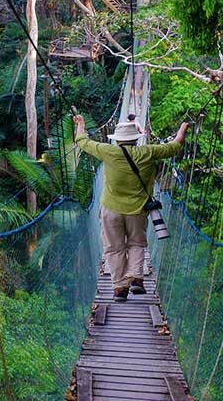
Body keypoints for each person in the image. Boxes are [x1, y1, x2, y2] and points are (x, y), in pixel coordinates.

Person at [74, 115, 189, 302]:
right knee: (136, 243)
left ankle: (120, 288)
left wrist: (80, 125)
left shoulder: (107, 151)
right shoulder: (148, 152)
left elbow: (82, 141)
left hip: (111, 210)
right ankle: (136, 276)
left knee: (114, 248)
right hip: (138, 210)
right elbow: (175, 146)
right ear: (135, 139)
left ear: (117, 140)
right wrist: (183, 128)